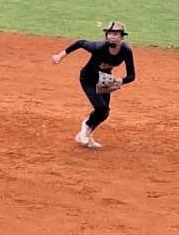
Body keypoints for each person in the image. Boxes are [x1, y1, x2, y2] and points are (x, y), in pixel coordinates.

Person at [51, 21, 136, 149]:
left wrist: (120, 81)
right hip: (88, 79)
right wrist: (60, 55)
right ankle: (86, 126)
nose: (111, 36)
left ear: (122, 36)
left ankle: (86, 134)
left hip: (103, 80)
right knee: (100, 108)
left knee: (104, 113)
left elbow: (131, 75)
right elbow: (80, 43)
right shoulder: (98, 47)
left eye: (115, 34)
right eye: (109, 33)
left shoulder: (126, 51)